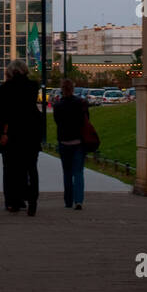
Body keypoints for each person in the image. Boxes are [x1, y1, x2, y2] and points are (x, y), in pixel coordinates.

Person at [0, 59, 42, 216]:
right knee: (31, 168)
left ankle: (15, 202)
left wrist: (3, 133)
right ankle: (32, 202)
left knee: (14, 168)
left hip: (14, 134)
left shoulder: (6, 88)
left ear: (11, 72)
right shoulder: (33, 86)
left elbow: (5, 114)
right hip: (31, 132)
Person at [53, 78, 89, 210]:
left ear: (62, 89)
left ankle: (68, 200)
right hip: (78, 141)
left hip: (64, 141)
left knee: (67, 173)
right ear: (73, 89)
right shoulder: (80, 103)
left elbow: (57, 122)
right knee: (78, 172)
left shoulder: (57, 106)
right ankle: (78, 200)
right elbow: (86, 121)